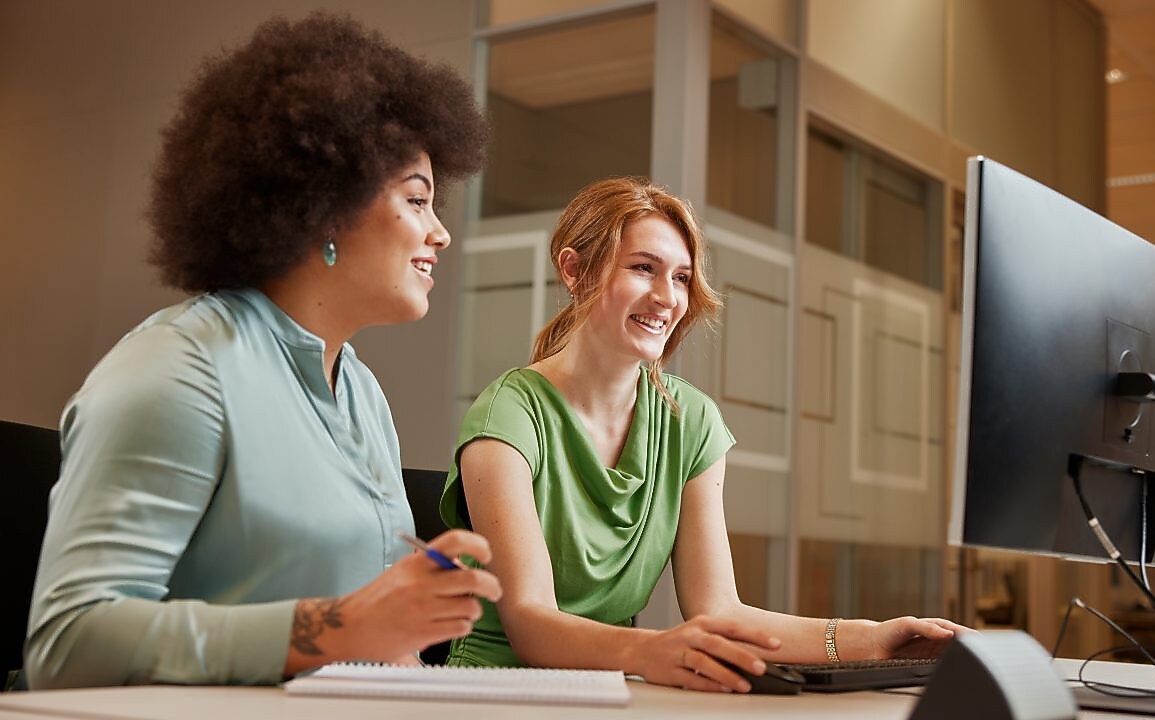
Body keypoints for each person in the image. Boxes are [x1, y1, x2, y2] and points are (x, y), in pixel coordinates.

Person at [24, 13, 501, 690]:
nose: (439, 234)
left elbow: (371, 636)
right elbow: (67, 644)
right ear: (328, 206)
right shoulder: (178, 370)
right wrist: (340, 626)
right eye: (417, 200)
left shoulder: (362, 391)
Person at [440, 177, 968, 692]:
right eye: (644, 268)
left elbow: (719, 610)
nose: (666, 297)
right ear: (575, 271)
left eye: (681, 278)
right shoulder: (509, 414)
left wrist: (872, 640)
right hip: (495, 692)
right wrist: (650, 651)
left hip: (613, 691)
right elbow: (531, 624)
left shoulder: (691, 422)